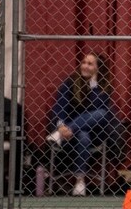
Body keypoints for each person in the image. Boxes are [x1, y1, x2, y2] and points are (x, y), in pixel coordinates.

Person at [46, 51, 114, 196]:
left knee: (101, 113)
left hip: (94, 133)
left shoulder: (103, 87)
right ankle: (80, 180)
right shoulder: (70, 82)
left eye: (90, 64)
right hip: (69, 134)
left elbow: (98, 107)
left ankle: (60, 134)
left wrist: (93, 83)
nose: (85, 66)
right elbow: (59, 107)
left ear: (98, 68)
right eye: (83, 62)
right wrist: (61, 126)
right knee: (83, 135)